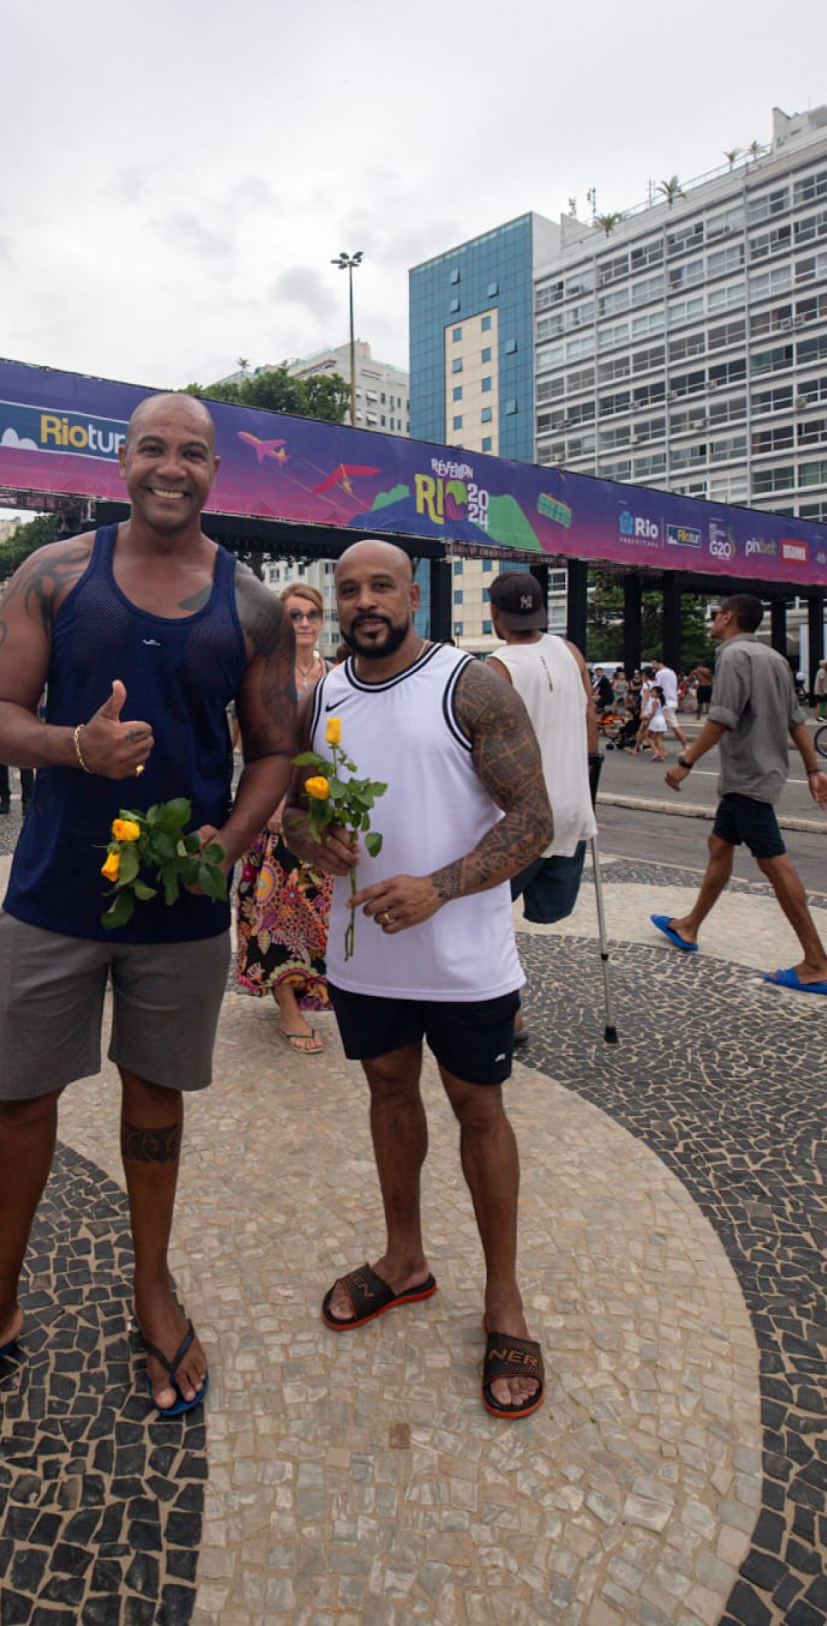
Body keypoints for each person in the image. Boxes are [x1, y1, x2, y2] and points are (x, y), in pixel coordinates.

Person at [0, 391, 296, 1449]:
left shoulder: (250, 606)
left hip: (181, 903)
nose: (173, 468)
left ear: (216, 473)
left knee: (156, 1099)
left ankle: (151, 1284)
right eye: (154, 449)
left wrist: (232, 842)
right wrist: (77, 745)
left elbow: (273, 752)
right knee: (22, 1098)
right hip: (52, 894)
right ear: (123, 463)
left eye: (194, 454)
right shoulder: (55, 574)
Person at [283, 540, 552, 1419]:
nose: (365, 601)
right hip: (367, 955)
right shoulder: (321, 695)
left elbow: (536, 819)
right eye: (349, 588)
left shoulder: (468, 684)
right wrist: (306, 836)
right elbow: (297, 804)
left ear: (413, 596)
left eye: (381, 587)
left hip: (466, 958)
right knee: (389, 1094)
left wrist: (441, 886)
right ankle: (406, 1261)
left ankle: (504, 1299)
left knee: (480, 1110)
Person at [653, 593, 827, 993]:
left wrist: (686, 762)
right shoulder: (776, 659)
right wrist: (814, 770)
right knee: (719, 845)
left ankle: (817, 962)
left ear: (729, 617)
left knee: (774, 863)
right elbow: (797, 722)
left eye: (716, 615)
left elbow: (721, 719)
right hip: (756, 777)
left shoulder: (732, 657)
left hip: (748, 778)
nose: (712, 621)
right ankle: (690, 925)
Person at [486, 572, 598, 1047]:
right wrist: (586, 787)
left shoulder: (498, 667)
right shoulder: (571, 653)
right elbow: (590, 721)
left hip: (525, 818)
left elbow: (485, 751)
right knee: (514, 911)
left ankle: (505, 1017)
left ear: (495, 616)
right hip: (572, 810)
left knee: (483, 916)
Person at [235, 582, 335, 1054]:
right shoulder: (266, 674)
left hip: (325, 809)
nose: (304, 623)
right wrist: (271, 805)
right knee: (277, 910)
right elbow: (250, 746)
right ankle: (287, 1005)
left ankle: (312, 988)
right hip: (277, 808)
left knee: (319, 911)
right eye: (293, 615)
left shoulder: (336, 673)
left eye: (311, 614)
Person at [653, 656, 689, 753]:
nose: (653, 665)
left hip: (665, 703)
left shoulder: (660, 673)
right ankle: (659, 748)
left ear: (658, 662)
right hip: (672, 700)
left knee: (674, 725)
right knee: (660, 726)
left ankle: (685, 746)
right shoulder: (671, 672)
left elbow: (657, 688)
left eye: (653, 663)